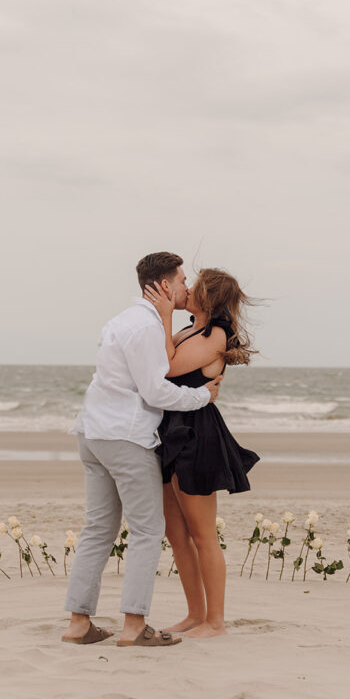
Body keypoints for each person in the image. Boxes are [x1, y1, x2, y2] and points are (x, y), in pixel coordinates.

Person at [62, 252, 223, 647]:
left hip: (93, 433)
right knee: (149, 530)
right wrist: (203, 396)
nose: (187, 287)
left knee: (99, 529)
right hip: (125, 437)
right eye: (183, 280)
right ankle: (134, 627)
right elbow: (156, 390)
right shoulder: (148, 327)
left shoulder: (121, 321)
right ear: (166, 286)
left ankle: (79, 624)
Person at [142, 267, 259, 639]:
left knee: (202, 534)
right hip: (169, 429)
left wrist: (163, 316)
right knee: (177, 534)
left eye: (194, 286)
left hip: (196, 434)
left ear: (209, 297)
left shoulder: (216, 335)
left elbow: (166, 367)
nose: (186, 289)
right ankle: (195, 615)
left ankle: (216, 622)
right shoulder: (190, 329)